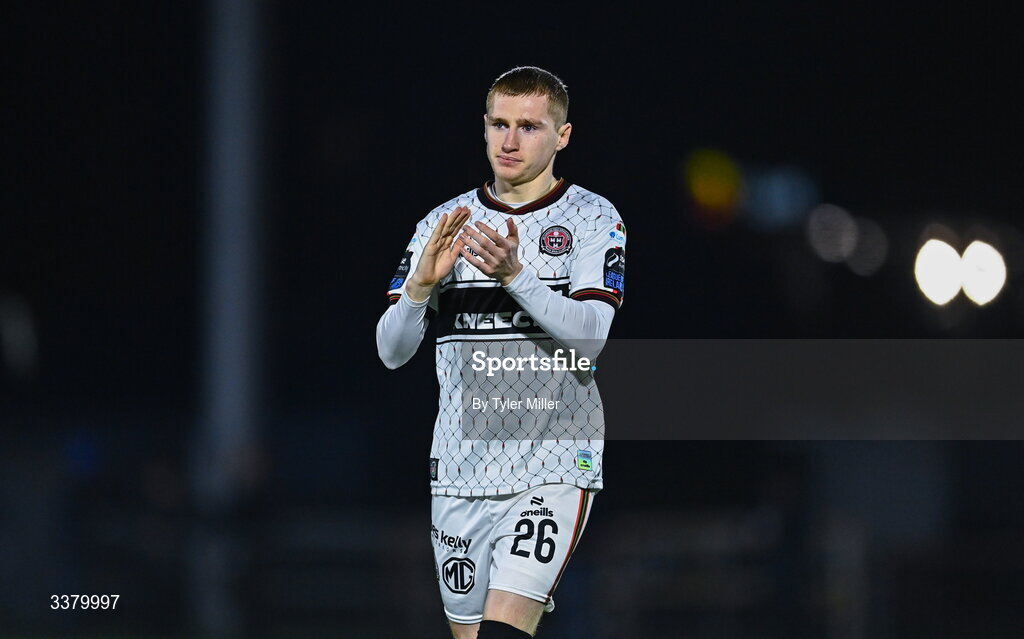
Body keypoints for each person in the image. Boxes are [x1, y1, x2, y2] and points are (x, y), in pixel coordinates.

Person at [376, 66, 625, 639]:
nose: (509, 142)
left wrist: (517, 277)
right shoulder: (444, 223)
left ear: (562, 136)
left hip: (553, 462)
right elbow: (391, 351)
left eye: (529, 127)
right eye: (499, 124)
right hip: (460, 465)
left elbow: (590, 337)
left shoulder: (592, 218)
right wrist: (418, 289)